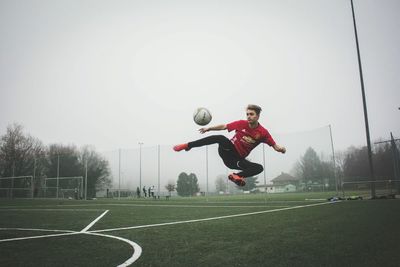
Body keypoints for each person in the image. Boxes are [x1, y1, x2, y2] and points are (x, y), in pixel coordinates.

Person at [173, 104, 286, 186]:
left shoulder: (263, 133)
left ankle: (237, 176)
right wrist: (209, 128)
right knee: (220, 138)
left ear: (257, 116)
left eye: (251, 114)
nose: (248, 116)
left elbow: (275, 146)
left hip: (235, 161)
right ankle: (188, 145)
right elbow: (224, 126)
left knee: (259, 168)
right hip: (228, 149)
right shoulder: (241, 123)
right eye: (247, 114)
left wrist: (281, 149)